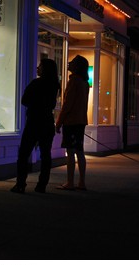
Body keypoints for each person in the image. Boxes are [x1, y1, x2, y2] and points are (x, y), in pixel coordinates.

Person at [11, 59, 60, 194]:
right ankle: (41, 185)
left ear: (45, 69)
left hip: (34, 121)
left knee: (24, 154)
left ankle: (20, 184)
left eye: (40, 66)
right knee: (46, 155)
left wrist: (34, 103)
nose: (37, 68)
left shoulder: (36, 83)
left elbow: (24, 100)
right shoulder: (55, 85)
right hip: (47, 121)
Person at [55, 55, 90, 191]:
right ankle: (82, 182)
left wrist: (59, 122)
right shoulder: (84, 82)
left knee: (70, 152)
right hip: (81, 121)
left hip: (71, 122)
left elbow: (67, 105)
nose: (69, 64)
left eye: (73, 62)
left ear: (77, 66)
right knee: (79, 152)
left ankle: (70, 182)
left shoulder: (74, 81)